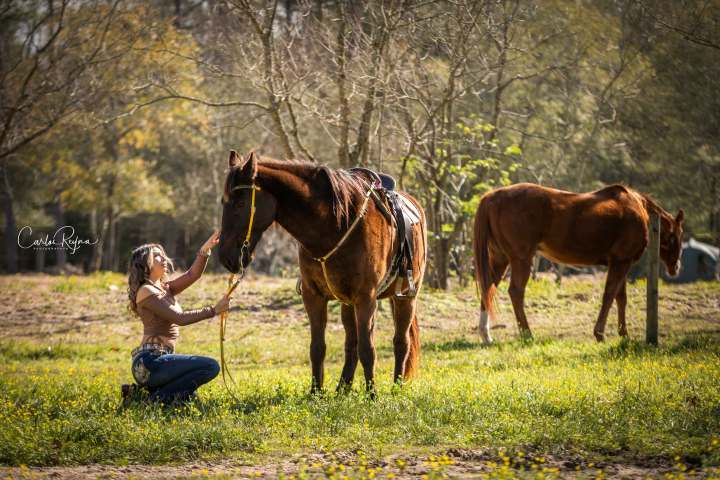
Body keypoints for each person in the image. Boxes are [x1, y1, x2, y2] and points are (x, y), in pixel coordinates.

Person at [123, 230, 231, 405]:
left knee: (188, 393)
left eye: (163, 255)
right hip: (150, 362)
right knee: (210, 366)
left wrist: (205, 250)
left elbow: (192, 275)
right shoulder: (145, 290)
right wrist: (214, 310)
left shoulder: (164, 288)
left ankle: (141, 396)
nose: (164, 259)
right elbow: (179, 318)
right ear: (145, 263)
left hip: (159, 361)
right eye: (157, 256)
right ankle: (152, 401)